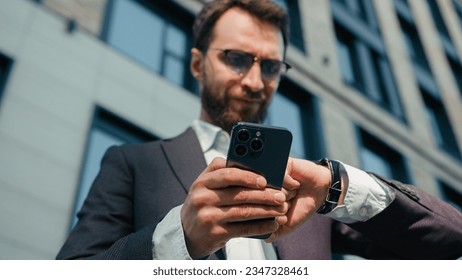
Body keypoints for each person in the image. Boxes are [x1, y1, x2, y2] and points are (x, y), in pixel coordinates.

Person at [56, 0, 462, 260]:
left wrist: (337, 187)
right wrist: (177, 238)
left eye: (270, 66)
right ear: (198, 64)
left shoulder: (306, 189)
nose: (254, 81)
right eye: (236, 58)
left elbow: (448, 242)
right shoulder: (133, 161)